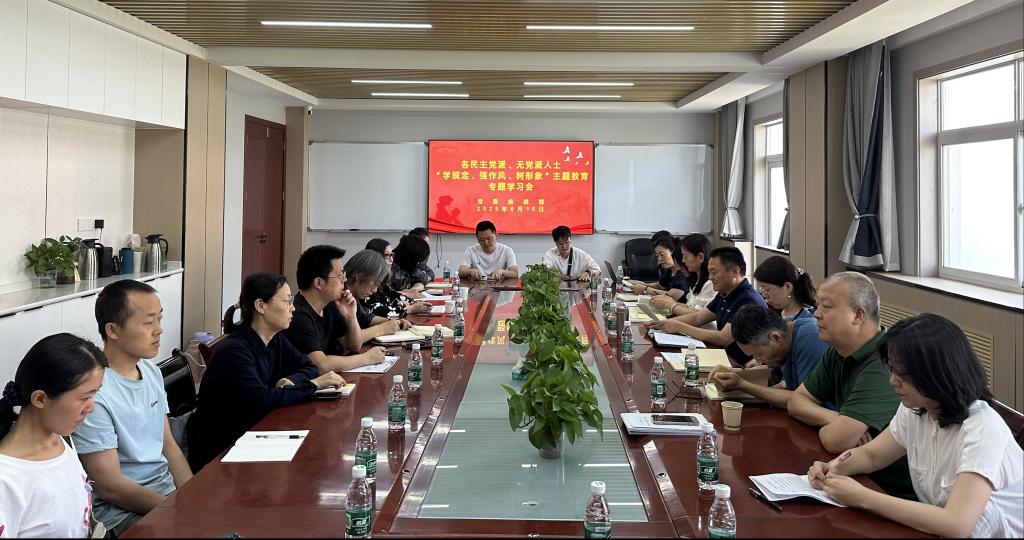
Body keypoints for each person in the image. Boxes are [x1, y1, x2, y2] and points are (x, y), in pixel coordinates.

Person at [807, 314, 1023, 537]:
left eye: (903, 373)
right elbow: (872, 455)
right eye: (891, 369)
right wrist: (832, 468)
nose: (892, 381)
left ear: (938, 373)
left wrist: (861, 497)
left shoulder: (982, 428)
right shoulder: (916, 409)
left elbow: (957, 524)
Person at [186, 273, 345, 472]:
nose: (293, 308)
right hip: (223, 453)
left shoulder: (275, 339)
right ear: (260, 306)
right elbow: (261, 401)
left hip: (255, 435)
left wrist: (290, 380)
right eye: (287, 301)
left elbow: (309, 367)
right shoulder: (235, 350)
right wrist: (313, 385)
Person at [72, 280, 192, 537]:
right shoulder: (95, 393)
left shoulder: (150, 370)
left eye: (160, 319)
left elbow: (168, 445)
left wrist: (193, 497)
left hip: (165, 496)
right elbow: (111, 487)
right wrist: (177, 510)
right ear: (113, 330)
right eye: (148, 322)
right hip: (122, 513)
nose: (159, 330)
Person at [788, 272, 914, 499]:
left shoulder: (885, 363)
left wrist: (837, 427)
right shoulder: (839, 351)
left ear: (858, 315)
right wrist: (834, 418)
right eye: (818, 305)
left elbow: (836, 440)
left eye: (826, 307)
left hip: (892, 490)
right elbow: (796, 401)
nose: (816, 313)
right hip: (857, 475)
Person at [0, 334, 107, 538]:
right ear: (40, 399)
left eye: (94, 394)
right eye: (84, 397)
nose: (91, 407)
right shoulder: (6, 481)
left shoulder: (62, 439)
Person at [644, 247, 767, 365]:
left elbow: (724, 338)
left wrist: (679, 327)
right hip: (720, 355)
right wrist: (663, 323)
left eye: (714, 272)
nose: (710, 277)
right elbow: (698, 317)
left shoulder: (748, 300)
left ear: (735, 271)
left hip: (739, 364)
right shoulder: (725, 292)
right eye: (709, 272)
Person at [283, 245, 387, 373]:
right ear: (318, 283)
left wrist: (351, 317)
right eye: (340, 276)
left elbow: (353, 345)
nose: (345, 280)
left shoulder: (331, 305)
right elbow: (321, 365)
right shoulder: (297, 314)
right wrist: (366, 358)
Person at [708, 305, 828, 409]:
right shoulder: (783, 337)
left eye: (758, 354)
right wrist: (734, 373)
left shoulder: (810, 338)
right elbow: (770, 376)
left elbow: (804, 401)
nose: (757, 360)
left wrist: (742, 385)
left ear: (775, 338)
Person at [344, 249, 413, 343]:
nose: (375, 290)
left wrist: (394, 321)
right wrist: (382, 329)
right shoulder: (340, 299)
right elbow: (348, 342)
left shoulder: (353, 296)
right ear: (358, 277)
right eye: (375, 283)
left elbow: (367, 318)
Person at [650, 233, 717, 319]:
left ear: (700, 257)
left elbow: (698, 315)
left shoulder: (711, 283)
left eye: (685, 257)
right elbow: (689, 307)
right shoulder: (697, 280)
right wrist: (669, 302)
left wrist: (671, 305)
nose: (683, 261)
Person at [364, 238, 430, 318]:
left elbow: (391, 295)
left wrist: (413, 303)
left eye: (391, 255)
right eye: (387, 255)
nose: (391, 259)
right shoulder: (367, 280)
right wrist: (409, 308)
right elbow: (379, 311)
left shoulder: (383, 279)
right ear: (375, 257)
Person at [753, 255, 817, 321]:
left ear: (788, 287)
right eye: (762, 290)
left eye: (767, 290)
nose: (764, 295)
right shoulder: (776, 313)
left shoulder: (806, 322)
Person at [628, 235, 689, 300]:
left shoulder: (683, 272)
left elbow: (671, 296)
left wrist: (645, 289)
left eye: (662, 255)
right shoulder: (669, 270)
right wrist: (643, 284)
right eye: (657, 256)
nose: (659, 259)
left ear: (673, 252)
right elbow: (661, 287)